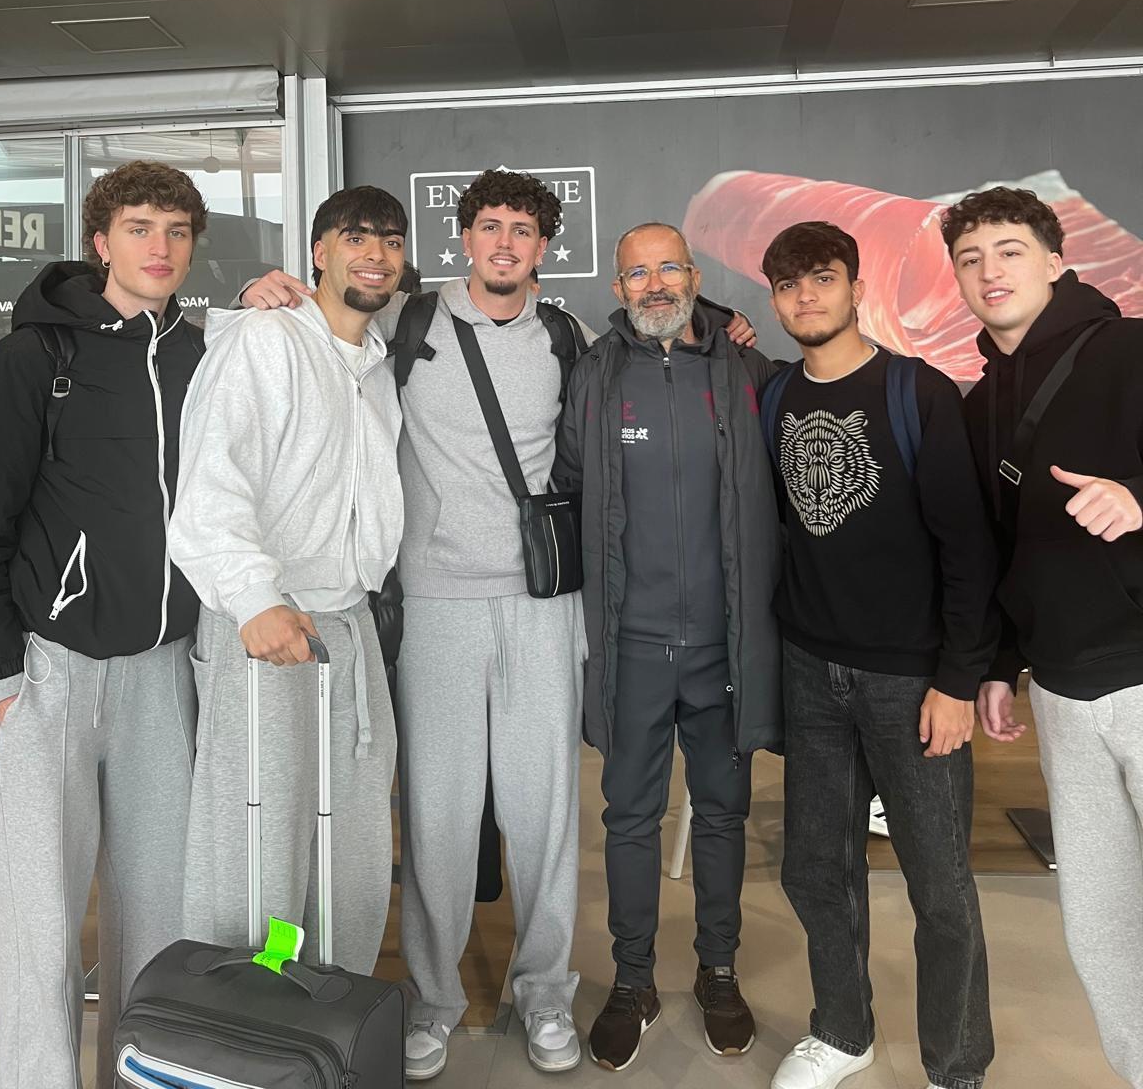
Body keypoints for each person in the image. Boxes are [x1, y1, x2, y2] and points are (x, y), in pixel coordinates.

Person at [240, 169, 590, 1079]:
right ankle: (433, 1001)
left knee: (544, 813)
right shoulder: (411, 321)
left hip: (542, 607)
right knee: (435, 817)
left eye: (522, 229)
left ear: (543, 245)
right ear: (464, 239)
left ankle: (546, 993)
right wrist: (259, 289)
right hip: (432, 605)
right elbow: (322, 325)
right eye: (488, 226)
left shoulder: (568, 335)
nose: (505, 242)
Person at [0, 160, 207, 1089]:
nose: (160, 248)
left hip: (164, 673)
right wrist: (3, 676)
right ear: (100, 242)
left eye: (176, 232)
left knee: (161, 921)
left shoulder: (198, 355)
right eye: (140, 228)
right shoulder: (32, 359)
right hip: (50, 672)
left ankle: (146, 1074)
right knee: (35, 921)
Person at [761, 221, 998, 1089]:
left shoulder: (915, 393)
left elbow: (968, 548)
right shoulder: (777, 397)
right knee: (817, 868)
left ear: (855, 286)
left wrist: (958, 679)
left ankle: (956, 1064)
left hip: (912, 678)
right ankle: (843, 1030)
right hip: (810, 669)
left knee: (941, 887)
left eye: (822, 279)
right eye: (788, 286)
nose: (806, 299)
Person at [553, 221, 782, 1071]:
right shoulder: (593, 376)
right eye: (636, 273)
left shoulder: (744, 369)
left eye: (668, 269)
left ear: (694, 277)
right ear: (616, 288)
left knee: (722, 812)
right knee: (629, 818)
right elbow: (570, 484)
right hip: (633, 644)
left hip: (725, 644)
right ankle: (634, 979)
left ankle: (719, 972)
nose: (654, 285)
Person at [166, 187, 405, 970]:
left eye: (391, 241)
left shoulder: (375, 361)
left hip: (349, 624)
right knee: (256, 843)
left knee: (352, 844)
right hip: (266, 624)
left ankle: (327, 1023)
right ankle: (243, 1027)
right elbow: (209, 485)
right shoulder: (264, 342)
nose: (375, 254)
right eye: (356, 237)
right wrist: (255, 600)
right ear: (319, 254)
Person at [942, 185, 1143, 1089]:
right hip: (1060, 691)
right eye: (971, 258)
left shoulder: (1131, 350)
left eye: (1010, 250)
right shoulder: (983, 404)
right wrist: (998, 662)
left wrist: (1141, 498)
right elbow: (1001, 545)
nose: (990, 271)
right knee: (1100, 922)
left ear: (1057, 260)